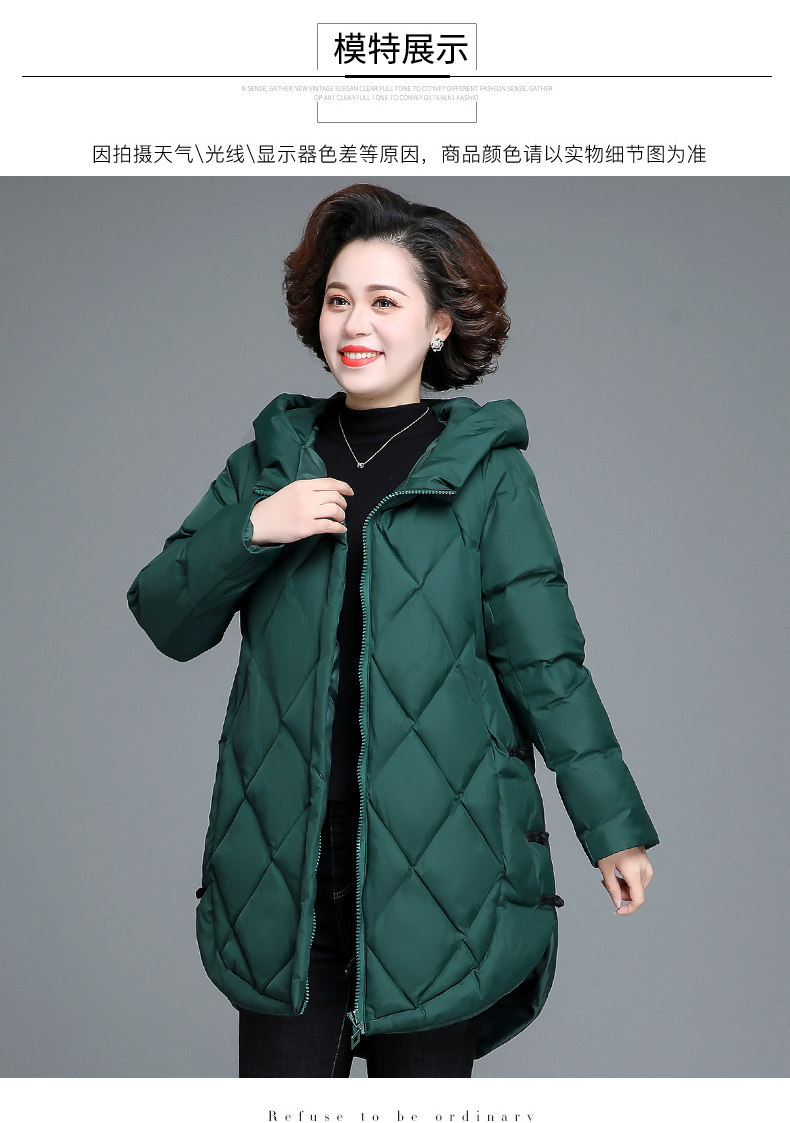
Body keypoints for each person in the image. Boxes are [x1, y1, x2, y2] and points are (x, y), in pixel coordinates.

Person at [127, 183, 658, 1078]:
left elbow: (547, 665)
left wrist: (612, 828)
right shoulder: (270, 463)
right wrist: (254, 527)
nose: (355, 324)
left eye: (384, 301)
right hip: (285, 867)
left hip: (444, 866)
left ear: (439, 324)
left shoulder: (486, 474)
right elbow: (165, 616)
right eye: (338, 300)